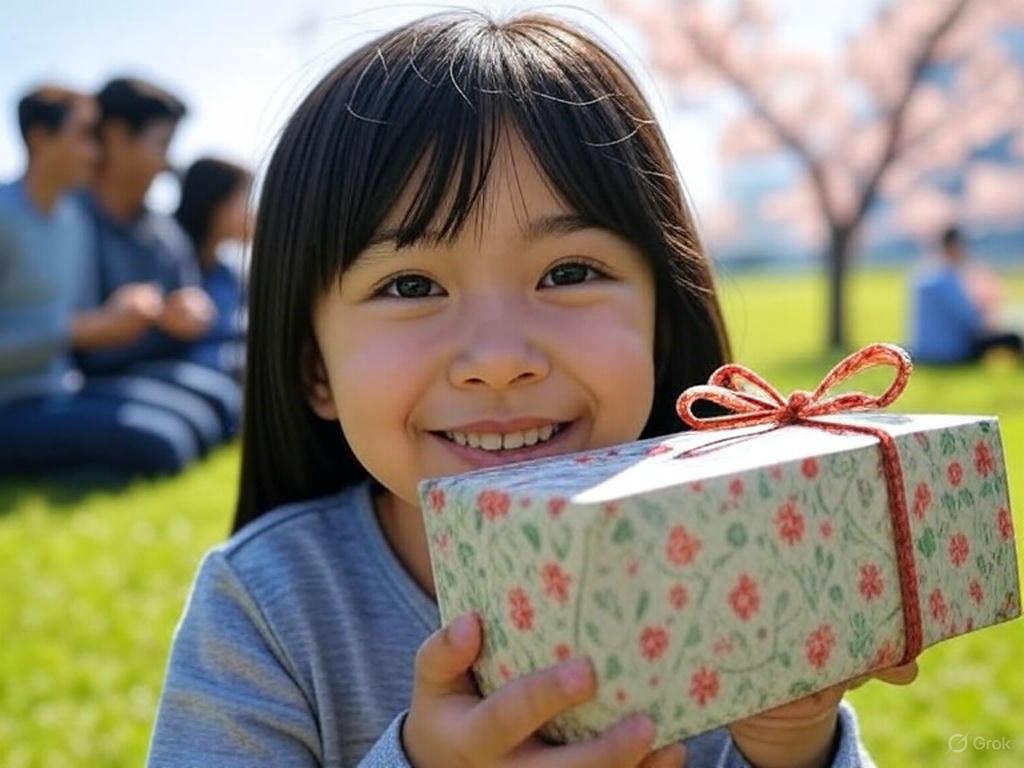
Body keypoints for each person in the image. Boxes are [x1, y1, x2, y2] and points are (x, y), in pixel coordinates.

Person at [147, 12, 918, 767]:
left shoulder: (726, 555)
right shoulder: (266, 606)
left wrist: (791, 745)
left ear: (659, 322)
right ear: (316, 369)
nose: (499, 359)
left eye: (569, 273)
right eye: (411, 285)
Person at [0, 85, 221, 475]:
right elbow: (76, 328)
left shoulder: (71, 221)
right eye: (85, 136)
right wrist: (85, 330)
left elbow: (78, 319)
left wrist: (141, 314)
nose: (97, 151)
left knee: (200, 423)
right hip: (10, 401)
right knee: (166, 444)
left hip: (56, 388)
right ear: (39, 138)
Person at [76, 77, 242, 439]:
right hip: (79, 383)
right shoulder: (67, 220)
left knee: (226, 403)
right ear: (117, 136)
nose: (168, 162)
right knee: (172, 437)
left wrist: (191, 313)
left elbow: (193, 306)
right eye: (162, 144)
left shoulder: (165, 234)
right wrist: (109, 324)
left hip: (154, 370)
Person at [173, 157, 251, 381]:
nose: (252, 212)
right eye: (244, 200)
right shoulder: (172, 264)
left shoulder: (229, 274)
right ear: (217, 206)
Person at [908, 227, 1023, 364]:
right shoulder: (947, 278)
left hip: (924, 349)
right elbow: (971, 322)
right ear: (954, 246)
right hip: (951, 352)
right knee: (1013, 339)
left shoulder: (925, 274)